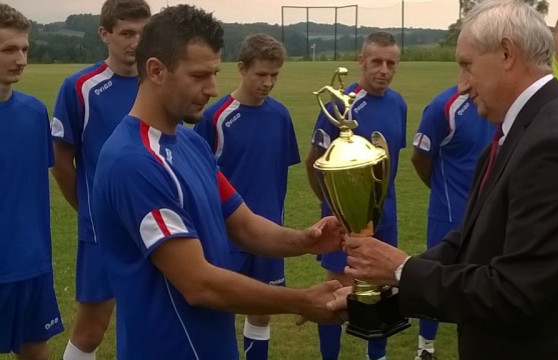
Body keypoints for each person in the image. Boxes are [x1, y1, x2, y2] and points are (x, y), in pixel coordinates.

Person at [339, 1, 558, 359]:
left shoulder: (555, 146)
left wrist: (402, 269)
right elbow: (470, 243)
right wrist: (385, 289)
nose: (463, 84)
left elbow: (515, 293)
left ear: (506, 53)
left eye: (467, 65)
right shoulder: (520, 131)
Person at [91, 5, 345, 359]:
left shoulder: (190, 141)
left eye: (214, 73)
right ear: (156, 71)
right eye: (199, 76)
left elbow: (242, 224)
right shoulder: (133, 162)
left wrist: (305, 239)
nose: (212, 88)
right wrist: (302, 301)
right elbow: (198, 284)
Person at [49, 1, 151, 359]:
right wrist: (92, 209)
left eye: (143, 32)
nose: (136, 42)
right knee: (91, 330)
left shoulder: (158, 80)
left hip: (158, 226)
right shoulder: (80, 87)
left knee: (151, 323)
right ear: (105, 34)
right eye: (126, 33)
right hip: (102, 232)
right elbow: (61, 162)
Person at [193, 33, 299, 360]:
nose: (268, 83)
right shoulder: (216, 117)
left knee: (262, 308)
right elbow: (198, 174)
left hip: (269, 231)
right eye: (261, 75)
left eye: (274, 76)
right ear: (241, 68)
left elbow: (278, 170)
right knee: (220, 307)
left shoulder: (281, 116)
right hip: (226, 233)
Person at [304, 31, 407, 360]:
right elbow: (314, 160)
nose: (383, 70)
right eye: (376, 61)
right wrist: (335, 205)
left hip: (385, 213)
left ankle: (377, 355)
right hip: (345, 219)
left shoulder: (399, 103)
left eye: (391, 63)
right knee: (337, 289)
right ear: (361, 62)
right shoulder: (340, 104)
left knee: (383, 287)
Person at [410, 86, 494, 360]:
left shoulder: (500, 99)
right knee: (433, 276)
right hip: (448, 212)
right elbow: (420, 157)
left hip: (491, 210)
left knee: (486, 279)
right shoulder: (443, 107)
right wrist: (443, 190)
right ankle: (425, 347)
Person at [0, 4, 64, 359]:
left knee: (37, 353)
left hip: (32, 263)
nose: (21, 59)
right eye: (9, 49)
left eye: (25, 48)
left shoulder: (35, 111)